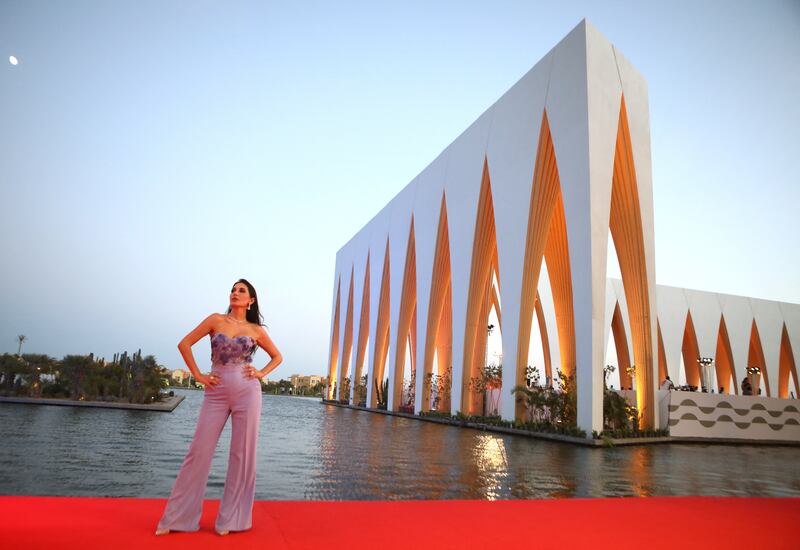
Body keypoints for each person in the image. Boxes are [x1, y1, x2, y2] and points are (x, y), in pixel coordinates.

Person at [155, 279, 283, 536]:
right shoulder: (215, 320)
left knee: (242, 455)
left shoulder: (256, 330)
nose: (235, 293)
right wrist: (199, 377)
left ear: (251, 300)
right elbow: (185, 344)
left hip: (248, 392)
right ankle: (178, 519)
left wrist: (261, 373)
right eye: (233, 290)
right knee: (198, 451)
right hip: (216, 391)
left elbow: (278, 356)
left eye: (241, 291)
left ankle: (231, 521)